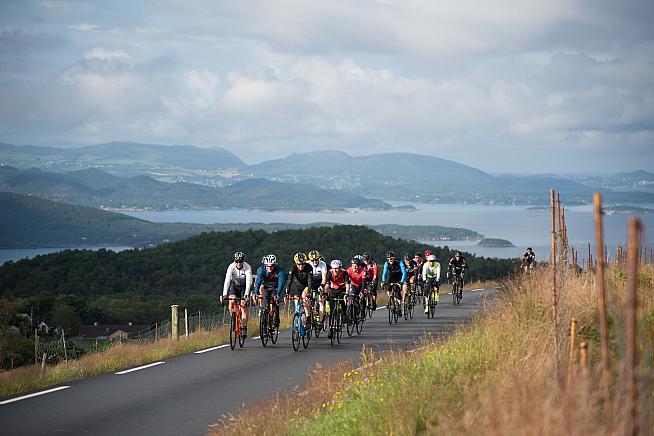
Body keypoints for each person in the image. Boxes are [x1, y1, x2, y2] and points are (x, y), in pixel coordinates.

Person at [221, 251, 253, 337]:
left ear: (243, 261)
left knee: (243, 305)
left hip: (244, 287)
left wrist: (246, 294)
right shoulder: (231, 267)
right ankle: (233, 319)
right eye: (237, 262)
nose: (238, 263)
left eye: (240, 261)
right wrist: (224, 294)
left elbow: (248, 282)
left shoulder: (247, 267)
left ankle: (244, 328)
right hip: (234, 286)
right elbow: (227, 280)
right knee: (231, 301)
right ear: (234, 261)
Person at [254, 254, 286, 329]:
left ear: (275, 264)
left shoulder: (279, 270)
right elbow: (258, 281)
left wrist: (278, 294)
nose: (269, 268)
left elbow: (281, 282)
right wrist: (255, 293)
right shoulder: (261, 270)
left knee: (275, 303)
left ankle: (276, 319)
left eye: (271, 266)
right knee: (265, 306)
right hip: (266, 287)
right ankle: (264, 327)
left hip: (275, 288)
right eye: (267, 266)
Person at [285, 252, 313, 325]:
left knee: (304, 298)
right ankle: (297, 321)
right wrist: (287, 293)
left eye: (303, 264)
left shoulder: (309, 267)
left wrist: (309, 293)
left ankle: (308, 316)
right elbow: (289, 281)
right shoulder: (293, 268)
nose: (301, 266)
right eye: (299, 264)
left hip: (306, 286)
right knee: (296, 303)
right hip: (297, 286)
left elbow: (310, 281)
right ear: (296, 263)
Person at [325, 259, 349, 338]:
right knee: (332, 312)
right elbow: (327, 285)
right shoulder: (330, 272)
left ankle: (345, 315)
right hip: (333, 290)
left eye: (337, 268)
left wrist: (346, 294)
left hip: (342, 289)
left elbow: (348, 285)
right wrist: (326, 293)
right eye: (334, 268)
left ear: (340, 268)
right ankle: (331, 330)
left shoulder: (344, 272)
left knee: (342, 301)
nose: (335, 270)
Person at [381, 251, 407, 316]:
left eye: (391, 258)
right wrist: (383, 281)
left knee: (397, 292)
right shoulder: (386, 263)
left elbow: (404, 273)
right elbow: (384, 273)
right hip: (391, 276)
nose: (390, 260)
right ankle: (390, 297)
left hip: (399, 276)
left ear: (394, 258)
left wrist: (401, 282)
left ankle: (399, 307)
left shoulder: (400, 262)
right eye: (388, 259)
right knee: (388, 287)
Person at [307, 249, 328, 322]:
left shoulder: (323, 264)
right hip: (310, 282)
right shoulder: (307, 264)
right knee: (307, 299)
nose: (314, 262)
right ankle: (308, 316)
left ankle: (321, 321)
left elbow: (324, 278)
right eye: (312, 260)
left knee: (321, 301)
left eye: (316, 260)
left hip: (320, 282)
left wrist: (322, 286)